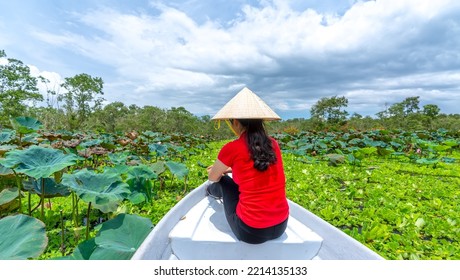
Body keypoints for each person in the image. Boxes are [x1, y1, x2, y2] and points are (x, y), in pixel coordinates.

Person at [206, 87, 289, 244]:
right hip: (281, 226)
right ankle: (213, 192)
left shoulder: (231, 148)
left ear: (235, 122)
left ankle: (211, 192)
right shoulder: (273, 144)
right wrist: (232, 168)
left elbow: (212, 176)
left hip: (250, 232)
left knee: (223, 181)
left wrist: (217, 171)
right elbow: (258, 166)